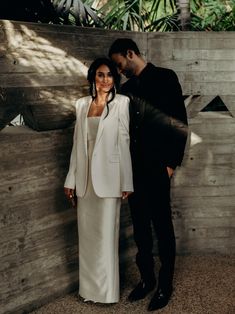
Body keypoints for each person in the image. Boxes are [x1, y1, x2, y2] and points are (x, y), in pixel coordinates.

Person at [109, 38, 188, 311]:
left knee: (162, 225)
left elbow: (179, 122)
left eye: (120, 65)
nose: (120, 71)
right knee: (140, 227)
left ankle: (165, 284)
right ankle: (147, 280)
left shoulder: (166, 77)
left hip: (158, 167)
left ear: (131, 53)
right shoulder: (127, 89)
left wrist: (171, 164)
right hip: (133, 169)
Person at [64, 57, 133, 304]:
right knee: (88, 239)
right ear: (93, 76)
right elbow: (76, 145)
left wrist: (127, 182)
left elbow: (123, 142)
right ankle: (88, 291)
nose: (105, 80)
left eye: (110, 75)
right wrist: (70, 179)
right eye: (101, 75)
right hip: (84, 181)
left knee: (105, 238)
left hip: (110, 179)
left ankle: (107, 293)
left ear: (115, 79)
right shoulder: (81, 104)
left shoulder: (122, 103)